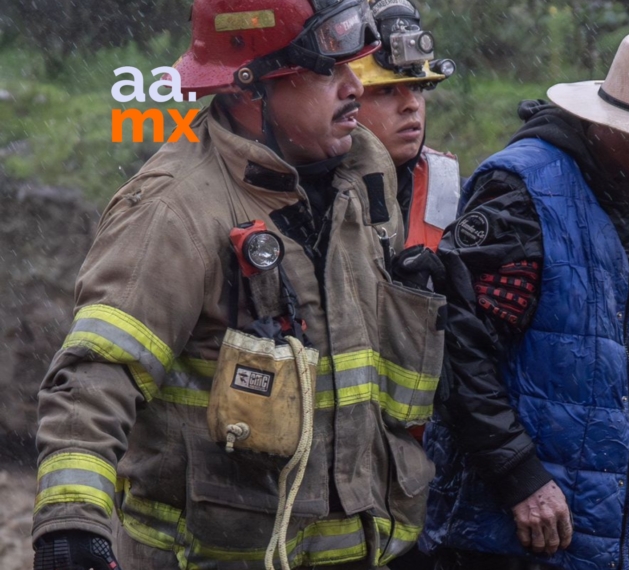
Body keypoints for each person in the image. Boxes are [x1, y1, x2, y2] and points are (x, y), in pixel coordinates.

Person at [30, 1, 445, 568]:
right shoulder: (173, 209)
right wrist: (72, 525)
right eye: (327, 70)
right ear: (250, 90)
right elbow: (97, 375)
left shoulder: (364, 175)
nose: (354, 86)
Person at [420, 29, 629, 570]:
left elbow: (619, 330)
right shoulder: (523, 197)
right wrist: (519, 476)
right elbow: (454, 347)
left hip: (612, 502)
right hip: (518, 523)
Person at [351, 0, 461, 252]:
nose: (411, 104)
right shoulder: (310, 194)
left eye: (416, 87)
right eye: (386, 91)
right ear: (344, 96)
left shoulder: (450, 186)